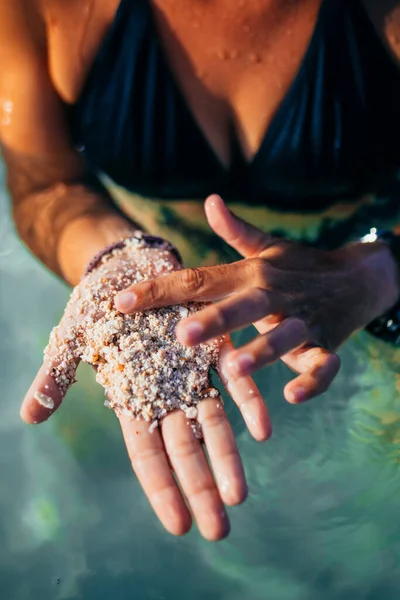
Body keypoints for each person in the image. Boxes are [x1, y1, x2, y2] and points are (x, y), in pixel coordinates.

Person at [2, 0, 400, 542]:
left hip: (368, 283)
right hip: (158, 304)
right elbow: (46, 181)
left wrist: (375, 273)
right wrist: (117, 259)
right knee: (89, 470)